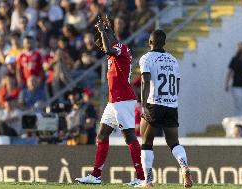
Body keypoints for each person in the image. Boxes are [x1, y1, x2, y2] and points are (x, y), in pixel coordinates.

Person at [75, 16, 145, 186]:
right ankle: (96, 175)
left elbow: (107, 48)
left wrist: (103, 30)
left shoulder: (120, 48)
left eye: (108, 34)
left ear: (113, 36)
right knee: (102, 135)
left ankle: (142, 178)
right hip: (113, 101)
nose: (105, 38)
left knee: (130, 138)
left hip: (123, 100)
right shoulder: (114, 50)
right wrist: (102, 29)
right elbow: (101, 44)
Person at [139, 30, 193, 187]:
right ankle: (184, 166)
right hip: (171, 104)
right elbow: (177, 86)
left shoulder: (146, 58)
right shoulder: (173, 60)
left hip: (154, 103)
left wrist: (143, 105)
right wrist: (170, 100)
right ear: (164, 43)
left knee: (146, 143)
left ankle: (148, 181)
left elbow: (146, 80)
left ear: (150, 42)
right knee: (174, 142)